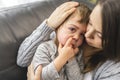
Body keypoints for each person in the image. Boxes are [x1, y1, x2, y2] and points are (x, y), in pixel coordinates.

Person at [18, 0, 120, 80]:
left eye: (99, 35)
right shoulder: (62, 37)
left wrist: (69, 59)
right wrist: (48, 25)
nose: (87, 34)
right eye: (90, 23)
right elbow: (23, 60)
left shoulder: (113, 71)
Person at [31, 3, 91, 80]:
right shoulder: (45, 48)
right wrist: (63, 58)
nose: (76, 37)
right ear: (58, 27)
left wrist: (71, 59)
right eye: (72, 29)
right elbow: (41, 77)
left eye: (82, 34)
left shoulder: (78, 53)